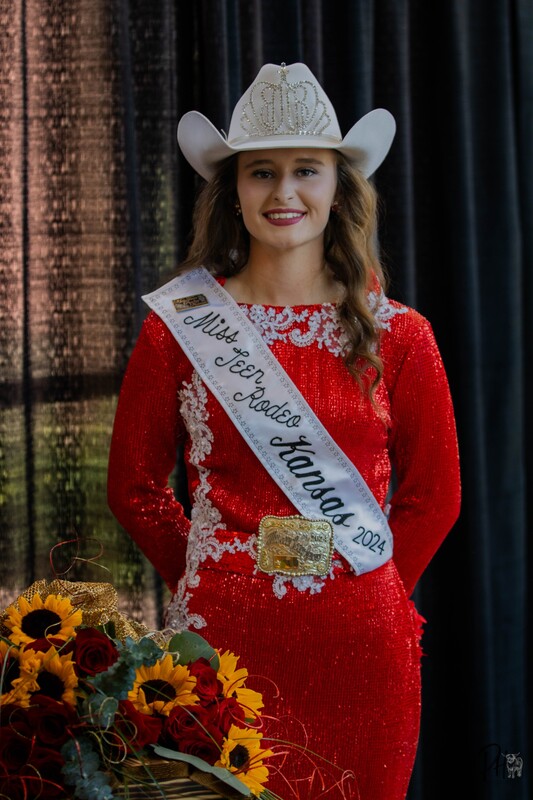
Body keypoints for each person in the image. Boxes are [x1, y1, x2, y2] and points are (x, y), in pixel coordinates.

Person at [107, 62, 461, 800]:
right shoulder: (179, 330)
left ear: (338, 188)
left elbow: (435, 497)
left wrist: (375, 590)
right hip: (221, 642)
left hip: (361, 643)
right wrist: (212, 573)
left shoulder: (402, 336)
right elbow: (134, 489)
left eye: (307, 170)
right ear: (233, 193)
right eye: (260, 172)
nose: (284, 192)